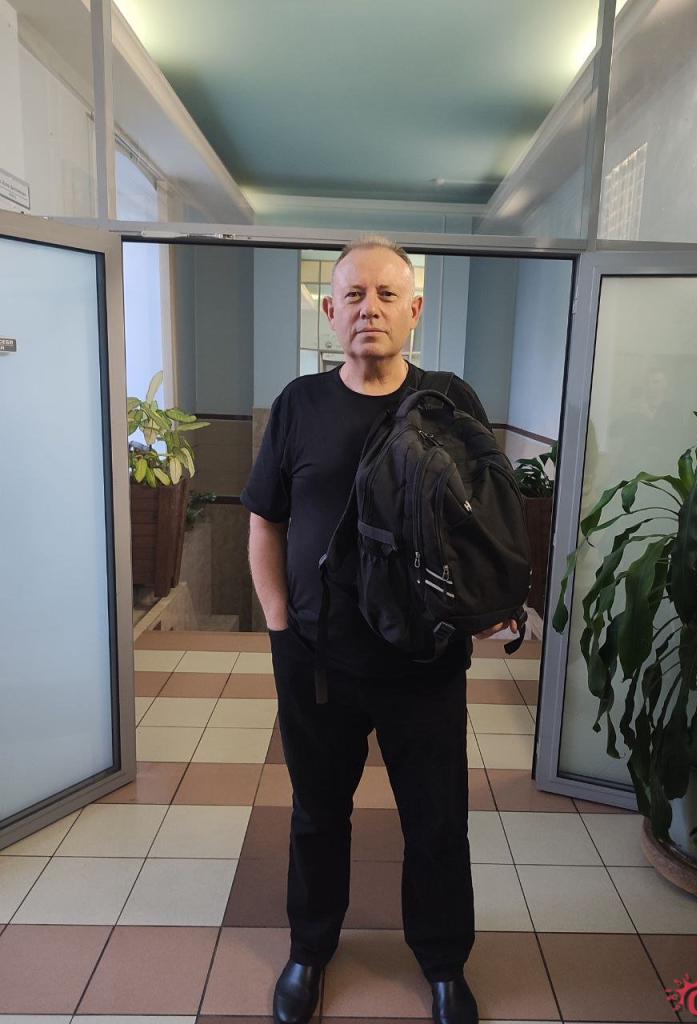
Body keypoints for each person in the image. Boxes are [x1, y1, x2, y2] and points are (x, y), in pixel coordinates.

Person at [241, 235, 519, 1024]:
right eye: (354, 295)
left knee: (437, 821)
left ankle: (443, 965)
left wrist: (489, 599)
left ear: (415, 310)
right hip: (317, 659)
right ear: (330, 311)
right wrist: (279, 625)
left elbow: (486, 517)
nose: (371, 309)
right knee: (317, 814)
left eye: (387, 294)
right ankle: (310, 951)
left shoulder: (448, 402)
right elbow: (264, 520)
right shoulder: (299, 404)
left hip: (424, 662)